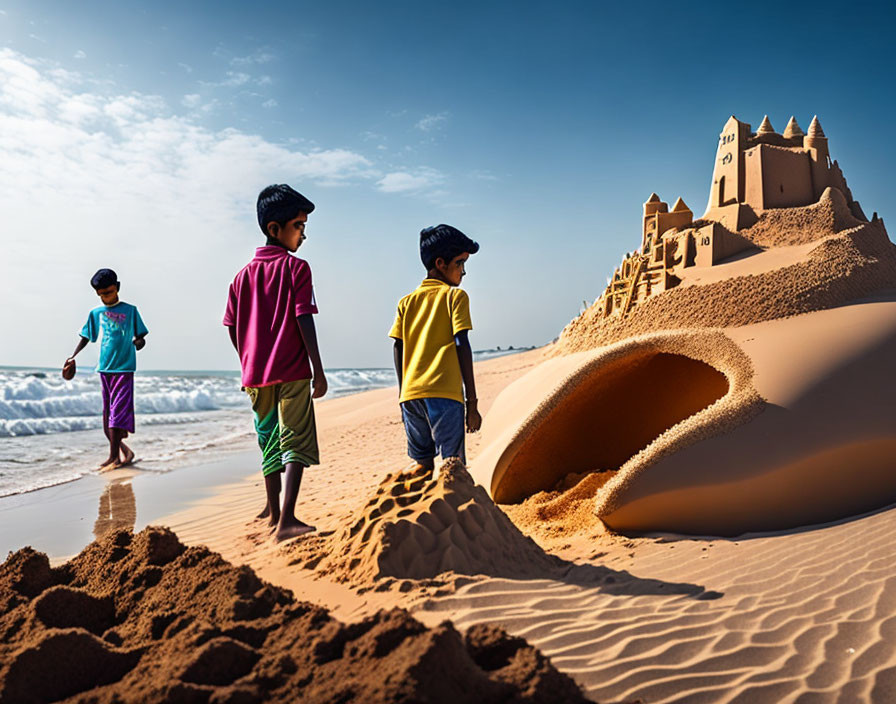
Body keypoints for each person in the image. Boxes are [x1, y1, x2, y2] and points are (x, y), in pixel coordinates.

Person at [224, 184, 327, 542]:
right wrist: (318, 368)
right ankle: (287, 520)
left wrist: (248, 360)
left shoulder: (241, 277)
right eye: (298, 225)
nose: (303, 233)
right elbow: (304, 318)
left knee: (267, 439)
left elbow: (232, 328)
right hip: (293, 369)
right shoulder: (296, 268)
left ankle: (271, 510)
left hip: (255, 375)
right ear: (274, 228)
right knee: (294, 439)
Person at [389, 224, 482, 474]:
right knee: (453, 467)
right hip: (445, 395)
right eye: (460, 263)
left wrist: (402, 392)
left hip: (410, 396)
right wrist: (471, 402)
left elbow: (398, 347)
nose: (464, 272)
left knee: (422, 464)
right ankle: (453, 513)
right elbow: (462, 344)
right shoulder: (455, 297)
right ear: (441, 263)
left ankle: (415, 508)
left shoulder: (406, 302)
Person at [65, 268, 149, 470]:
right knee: (107, 416)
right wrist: (72, 356)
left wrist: (138, 342)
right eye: (101, 294)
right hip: (104, 369)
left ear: (117, 288)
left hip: (124, 368)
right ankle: (124, 452)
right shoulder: (96, 313)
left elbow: (141, 337)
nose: (105, 297)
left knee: (117, 415)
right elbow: (86, 336)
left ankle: (114, 458)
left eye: (109, 292)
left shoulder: (130, 310)